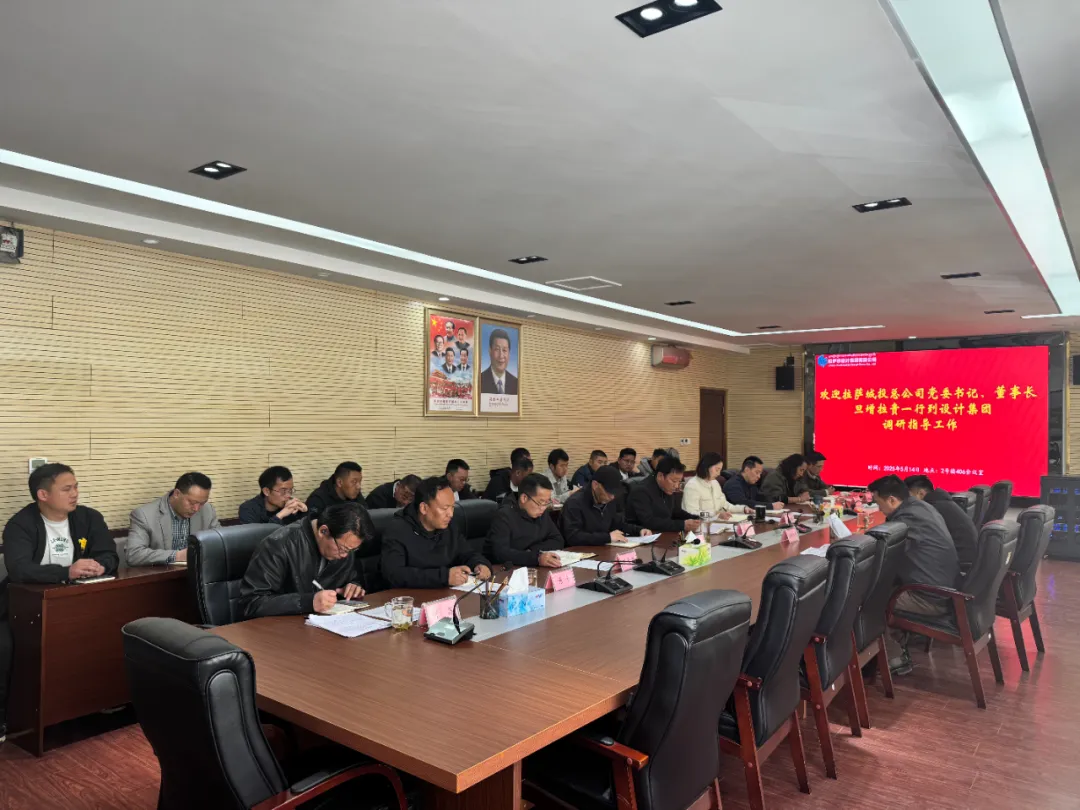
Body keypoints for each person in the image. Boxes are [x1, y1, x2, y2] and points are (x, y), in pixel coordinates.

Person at [0, 464, 120, 741]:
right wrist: (66, 572)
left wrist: (100, 566)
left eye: (76, 487)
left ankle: (102, 698)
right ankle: (6, 717)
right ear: (43, 494)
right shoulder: (20, 524)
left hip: (77, 600)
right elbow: (19, 569)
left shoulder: (89, 517)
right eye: (67, 489)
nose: (75, 493)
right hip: (23, 606)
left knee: (109, 629)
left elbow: (109, 554)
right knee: (4, 647)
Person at [868, 474, 959, 676]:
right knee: (883, 589)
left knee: (869, 603)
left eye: (878, 503)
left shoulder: (906, 520)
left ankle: (893, 658)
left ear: (892, 500)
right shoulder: (921, 507)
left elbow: (884, 556)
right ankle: (895, 646)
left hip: (930, 597)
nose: (878, 509)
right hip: (944, 587)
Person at [237, 502, 369, 619]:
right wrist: (307, 602)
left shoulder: (344, 544)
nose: (345, 555)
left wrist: (352, 586)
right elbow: (252, 603)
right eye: (343, 549)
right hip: (280, 630)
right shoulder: (279, 545)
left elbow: (349, 578)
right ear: (323, 531)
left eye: (352, 550)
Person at [381, 476, 492, 588]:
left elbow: (467, 553)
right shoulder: (397, 530)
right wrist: (444, 577)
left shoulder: (448, 525)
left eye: (452, 507)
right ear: (424, 508)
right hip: (409, 596)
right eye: (444, 508)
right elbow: (394, 574)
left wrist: (479, 564)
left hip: (446, 593)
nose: (450, 514)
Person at [127, 472, 221, 566]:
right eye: (192, 502)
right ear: (177, 494)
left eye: (202, 503)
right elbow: (133, 555)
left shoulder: (208, 510)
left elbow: (221, 543)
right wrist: (177, 556)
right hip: (163, 573)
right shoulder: (144, 515)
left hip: (199, 572)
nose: (196, 509)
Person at [485, 474, 566, 567]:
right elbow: (501, 553)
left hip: (531, 567)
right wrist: (536, 558)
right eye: (541, 502)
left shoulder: (541, 511)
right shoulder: (504, 515)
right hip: (505, 570)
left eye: (547, 502)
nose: (543, 508)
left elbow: (558, 540)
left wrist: (532, 551)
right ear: (524, 498)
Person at [905, 475, 979, 572]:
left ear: (920, 493)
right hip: (968, 561)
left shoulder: (932, 509)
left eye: (908, 497)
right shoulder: (942, 503)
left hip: (960, 565)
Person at [562, 466, 652, 547]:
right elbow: (573, 537)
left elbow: (617, 524)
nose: (612, 497)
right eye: (608, 491)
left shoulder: (609, 499)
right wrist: (607, 538)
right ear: (595, 485)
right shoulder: (574, 503)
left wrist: (639, 530)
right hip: (581, 552)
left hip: (603, 549)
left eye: (615, 493)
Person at [626, 456, 701, 534]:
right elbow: (649, 522)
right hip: (641, 536)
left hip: (662, 534)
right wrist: (682, 525)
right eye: (674, 481)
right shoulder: (641, 491)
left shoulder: (666, 488)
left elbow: (675, 512)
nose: (676, 486)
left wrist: (695, 519)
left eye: (679, 481)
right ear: (660, 476)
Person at [238, 466, 308, 525]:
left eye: (290, 490)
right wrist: (280, 516)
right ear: (266, 491)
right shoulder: (248, 509)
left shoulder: (290, 506)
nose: (288, 495)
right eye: (283, 491)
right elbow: (256, 536)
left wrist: (304, 513)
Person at [681, 452, 744, 517]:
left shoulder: (715, 483)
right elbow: (692, 512)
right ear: (706, 467)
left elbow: (725, 505)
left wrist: (743, 509)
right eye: (717, 470)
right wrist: (714, 514)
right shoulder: (692, 486)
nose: (719, 474)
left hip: (717, 521)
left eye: (720, 470)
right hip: (700, 522)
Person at [480, 328, 519, 395]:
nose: (501, 356)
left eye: (504, 350)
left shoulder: (516, 383)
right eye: (497, 349)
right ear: (490, 351)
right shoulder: (480, 381)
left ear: (509, 353)